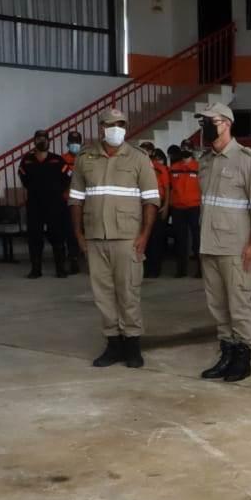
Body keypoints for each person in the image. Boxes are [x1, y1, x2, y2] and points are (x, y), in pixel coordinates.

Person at [68, 107, 160, 368]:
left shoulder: (139, 158)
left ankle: (132, 345)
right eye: (111, 124)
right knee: (104, 295)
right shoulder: (85, 158)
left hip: (128, 238)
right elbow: (75, 199)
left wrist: (144, 236)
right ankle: (113, 344)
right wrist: (78, 234)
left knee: (128, 293)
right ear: (102, 128)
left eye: (121, 124)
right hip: (96, 237)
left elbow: (151, 199)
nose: (117, 128)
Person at [195, 102, 251, 383]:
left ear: (225, 122)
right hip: (209, 244)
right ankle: (226, 352)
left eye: (209, 121)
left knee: (239, 304)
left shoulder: (246, 159)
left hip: (236, 247)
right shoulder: (206, 160)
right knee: (217, 304)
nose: (204, 126)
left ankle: (243, 355)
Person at [18, 129, 72, 278]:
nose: (42, 141)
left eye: (44, 139)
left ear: (49, 141)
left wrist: (62, 193)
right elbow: (24, 178)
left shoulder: (57, 160)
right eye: (39, 139)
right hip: (35, 204)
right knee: (34, 236)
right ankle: (36, 270)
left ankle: (60, 269)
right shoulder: (27, 160)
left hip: (55, 204)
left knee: (58, 235)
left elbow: (68, 177)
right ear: (34, 141)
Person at [168, 144, 201, 278]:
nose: (186, 151)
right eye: (184, 148)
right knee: (180, 240)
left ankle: (200, 270)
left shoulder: (199, 167)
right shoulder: (174, 168)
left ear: (192, 151)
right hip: (178, 209)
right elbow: (170, 188)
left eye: (188, 148)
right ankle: (181, 270)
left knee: (197, 241)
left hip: (195, 207)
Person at [142, 148, 172, 278]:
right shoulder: (139, 167)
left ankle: (155, 269)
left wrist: (165, 206)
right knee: (145, 239)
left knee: (156, 239)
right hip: (142, 205)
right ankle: (145, 268)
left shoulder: (160, 168)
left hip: (157, 206)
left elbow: (167, 188)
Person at [62, 132, 84, 274]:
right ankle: (73, 258)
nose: (74, 144)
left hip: (85, 200)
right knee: (70, 231)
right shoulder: (62, 159)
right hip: (67, 200)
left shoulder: (86, 158)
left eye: (77, 141)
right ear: (68, 143)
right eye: (72, 141)